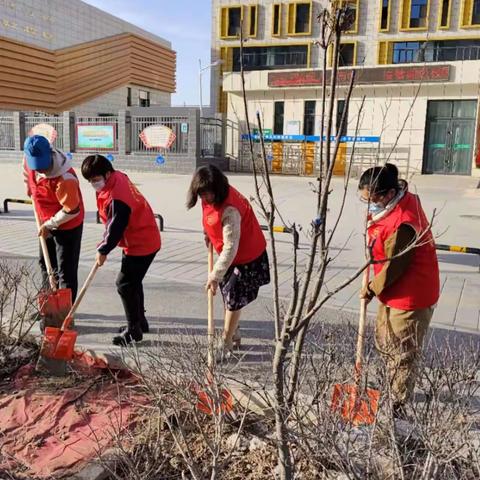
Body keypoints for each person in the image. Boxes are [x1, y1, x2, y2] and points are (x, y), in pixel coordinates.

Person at [358, 163, 440, 416]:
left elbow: (395, 266)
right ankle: (391, 382)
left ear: (388, 195)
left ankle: (398, 403)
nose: (368, 205)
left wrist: (371, 288)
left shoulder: (404, 222)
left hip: (411, 293)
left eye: (371, 200)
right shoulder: (397, 203)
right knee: (386, 340)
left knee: (403, 351)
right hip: (393, 288)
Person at [187, 164, 270, 360]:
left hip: (247, 257)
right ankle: (234, 331)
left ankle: (225, 343)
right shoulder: (209, 196)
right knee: (228, 294)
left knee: (232, 298)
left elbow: (231, 247)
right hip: (232, 254)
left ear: (218, 189)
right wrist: (208, 233)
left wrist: (214, 275)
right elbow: (209, 217)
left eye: (208, 194)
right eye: (201, 194)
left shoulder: (230, 209)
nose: (205, 198)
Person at [81, 154, 160, 346]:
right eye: (90, 181)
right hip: (141, 237)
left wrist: (103, 250)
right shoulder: (118, 177)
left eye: (96, 179)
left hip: (141, 242)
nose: (93, 184)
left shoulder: (117, 197)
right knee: (133, 281)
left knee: (124, 284)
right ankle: (140, 322)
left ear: (107, 174)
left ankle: (134, 330)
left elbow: (115, 228)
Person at [23, 135, 84, 302]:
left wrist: (50, 224)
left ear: (50, 154)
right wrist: (29, 186)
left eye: (42, 166)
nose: (40, 170)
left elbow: (72, 210)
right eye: (36, 166)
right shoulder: (30, 161)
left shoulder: (65, 179)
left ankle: (65, 311)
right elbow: (27, 174)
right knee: (46, 264)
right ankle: (48, 304)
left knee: (65, 271)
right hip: (45, 221)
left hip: (67, 224)